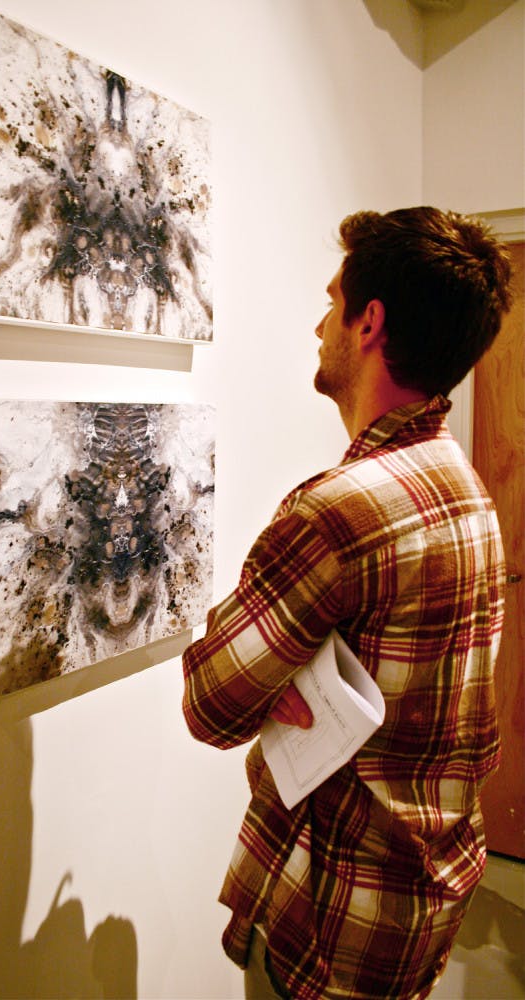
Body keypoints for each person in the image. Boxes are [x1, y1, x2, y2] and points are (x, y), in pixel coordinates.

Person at [181, 207, 513, 1000]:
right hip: (419, 895)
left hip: (334, 914)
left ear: (368, 323)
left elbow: (210, 705)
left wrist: (267, 661)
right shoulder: (464, 487)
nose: (317, 322)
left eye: (332, 301)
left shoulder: (336, 513)